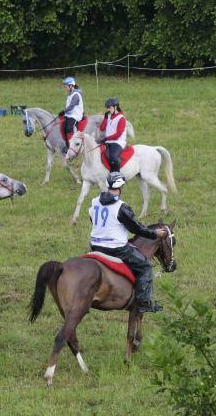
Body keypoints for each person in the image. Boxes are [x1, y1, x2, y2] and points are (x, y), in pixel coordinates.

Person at [87, 171, 166, 313]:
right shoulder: (121, 207)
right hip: (116, 249)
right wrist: (154, 233)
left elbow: (92, 219)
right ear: (120, 187)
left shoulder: (94, 201)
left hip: (95, 247)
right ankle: (143, 302)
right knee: (145, 266)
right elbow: (136, 228)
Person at [99, 97, 126, 172]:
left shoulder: (121, 118)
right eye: (107, 108)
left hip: (118, 142)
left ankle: (117, 175)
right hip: (108, 142)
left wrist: (107, 138)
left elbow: (118, 134)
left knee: (113, 157)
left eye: (109, 108)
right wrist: (105, 118)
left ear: (115, 107)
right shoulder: (109, 117)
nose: (108, 110)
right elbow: (102, 128)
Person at [59, 76, 84, 149]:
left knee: (69, 128)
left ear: (71, 86)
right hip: (69, 114)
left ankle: (72, 147)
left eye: (66, 86)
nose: (65, 87)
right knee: (63, 128)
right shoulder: (70, 94)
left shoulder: (76, 94)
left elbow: (72, 106)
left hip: (75, 115)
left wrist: (64, 111)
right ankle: (67, 145)